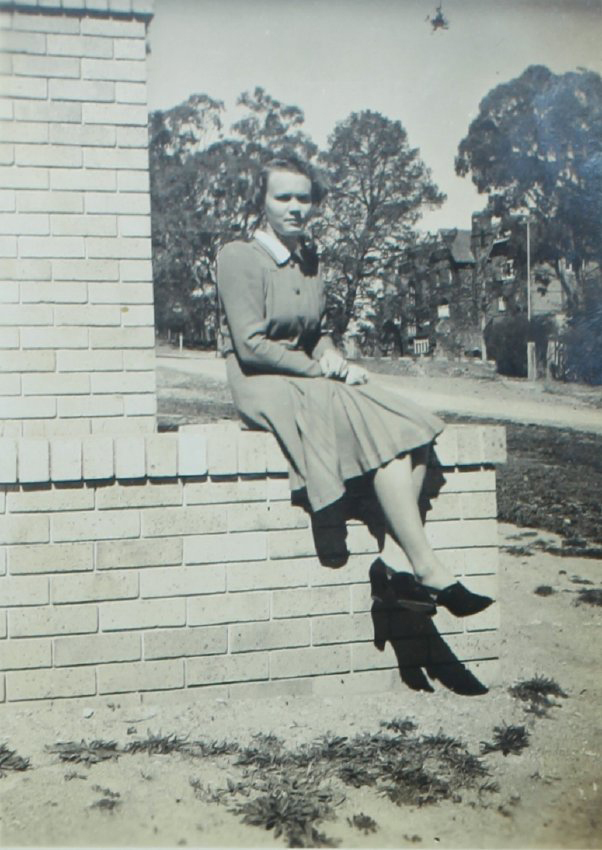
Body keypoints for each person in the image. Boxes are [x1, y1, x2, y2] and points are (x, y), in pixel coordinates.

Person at [216, 154, 493, 618]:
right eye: (282, 196)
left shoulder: (309, 258)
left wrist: (331, 355)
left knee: (410, 427)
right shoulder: (239, 256)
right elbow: (250, 346)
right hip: (260, 383)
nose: (295, 207)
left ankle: (392, 562)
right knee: (374, 429)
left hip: (307, 375)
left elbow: (317, 331)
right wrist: (317, 370)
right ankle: (424, 566)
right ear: (260, 201)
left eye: (304, 198)